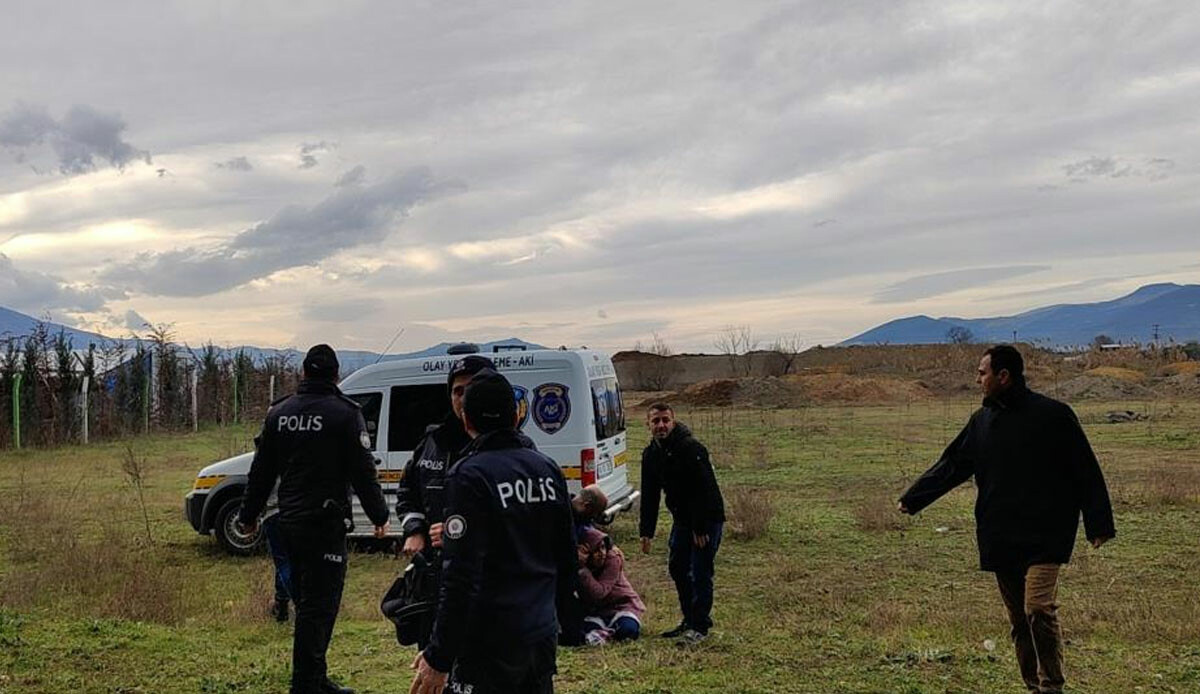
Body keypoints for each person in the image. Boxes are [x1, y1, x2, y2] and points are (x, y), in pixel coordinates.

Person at [898, 345, 1116, 694]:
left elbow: (1085, 469)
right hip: (1001, 534)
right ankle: (1033, 684)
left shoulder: (1054, 416)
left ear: (1004, 376)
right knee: (1019, 621)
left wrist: (1099, 524)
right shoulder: (981, 423)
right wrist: (914, 498)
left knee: (1038, 609)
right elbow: (953, 464)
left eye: (982, 373)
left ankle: (1051, 685)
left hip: (1046, 534)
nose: (977, 379)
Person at [409, 369, 576, 694]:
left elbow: (461, 576)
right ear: (516, 417)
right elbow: (566, 554)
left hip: (488, 643)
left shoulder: (469, 475)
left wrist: (440, 655)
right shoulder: (546, 468)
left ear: (467, 420)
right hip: (539, 634)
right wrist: (567, 622)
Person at [238, 344, 390, 694]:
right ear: (336, 376)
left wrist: (248, 515)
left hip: (288, 522)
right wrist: (379, 515)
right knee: (318, 609)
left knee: (306, 604)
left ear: (304, 373)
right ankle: (306, 684)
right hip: (324, 525)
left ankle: (315, 678)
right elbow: (362, 471)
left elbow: (260, 471)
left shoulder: (279, 413)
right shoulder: (344, 413)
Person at [394, 354, 495, 647]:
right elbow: (407, 493)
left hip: (487, 583)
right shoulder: (432, 443)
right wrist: (415, 530)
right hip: (436, 577)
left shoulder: (511, 450)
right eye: (457, 390)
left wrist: (460, 530)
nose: (462, 398)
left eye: (471, 389)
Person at [638, 402, 726, 645]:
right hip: (682, 520)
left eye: (665, 420)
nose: (661, 425)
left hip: (706, 517)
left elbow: (703, 489)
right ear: (648, 425)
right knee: (677, 567)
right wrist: (647, 531)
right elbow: (650, 494)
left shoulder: (691, 448)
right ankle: (690, 619)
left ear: (673, 421)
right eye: (656, 421)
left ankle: (699, 627)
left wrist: (700, 527)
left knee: (700, 571)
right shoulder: (651, 455)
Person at [576, 527, 645, 645]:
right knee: (582, 630)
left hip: (621, 606)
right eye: (596, 549)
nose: (601, 553)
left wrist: (583, 571)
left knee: (627, 631)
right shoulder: (577, 565)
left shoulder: (612, 560)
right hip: (595, 611)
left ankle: (605, 634)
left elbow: (600, 592)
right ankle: (603, 633)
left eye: (603, 547)